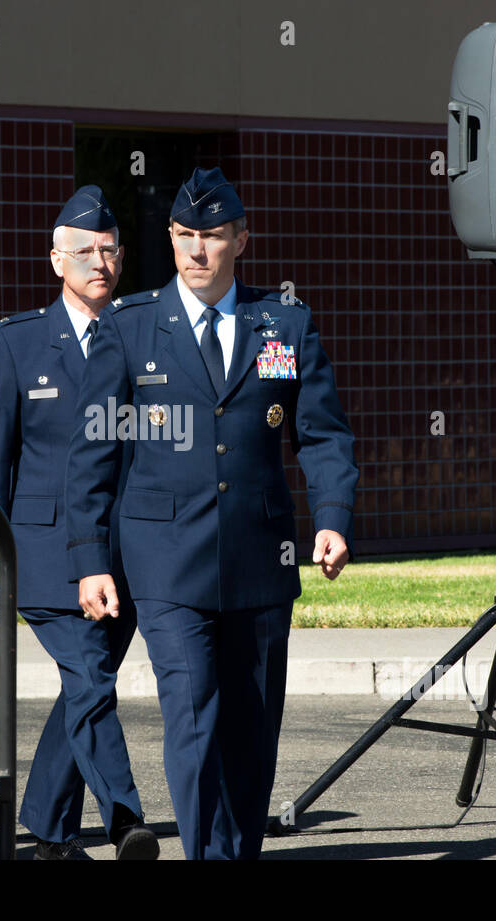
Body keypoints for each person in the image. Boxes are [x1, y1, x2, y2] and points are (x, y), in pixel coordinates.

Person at [65, 167, 359, 859]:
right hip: (165, 562)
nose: (197, 250)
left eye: (213, 236)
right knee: (192, 721)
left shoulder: (283, 324)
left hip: (261, 561)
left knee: (250, 734)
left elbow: (320, 433)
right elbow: (92, 453)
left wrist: (332, 517)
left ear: (240, 240)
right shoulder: (131, 327)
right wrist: (88, 560)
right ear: (170, 237)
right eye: (185, 235)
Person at [0, 186, 158, 860]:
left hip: (130, 550)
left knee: (84, 687)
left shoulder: (147, 331)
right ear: (56, 260)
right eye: (84, 251)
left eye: (110, 250)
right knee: (89, 677)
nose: (99, 262)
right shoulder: (17, 343)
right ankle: (125, 819)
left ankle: (47, 832)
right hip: (46, 552)